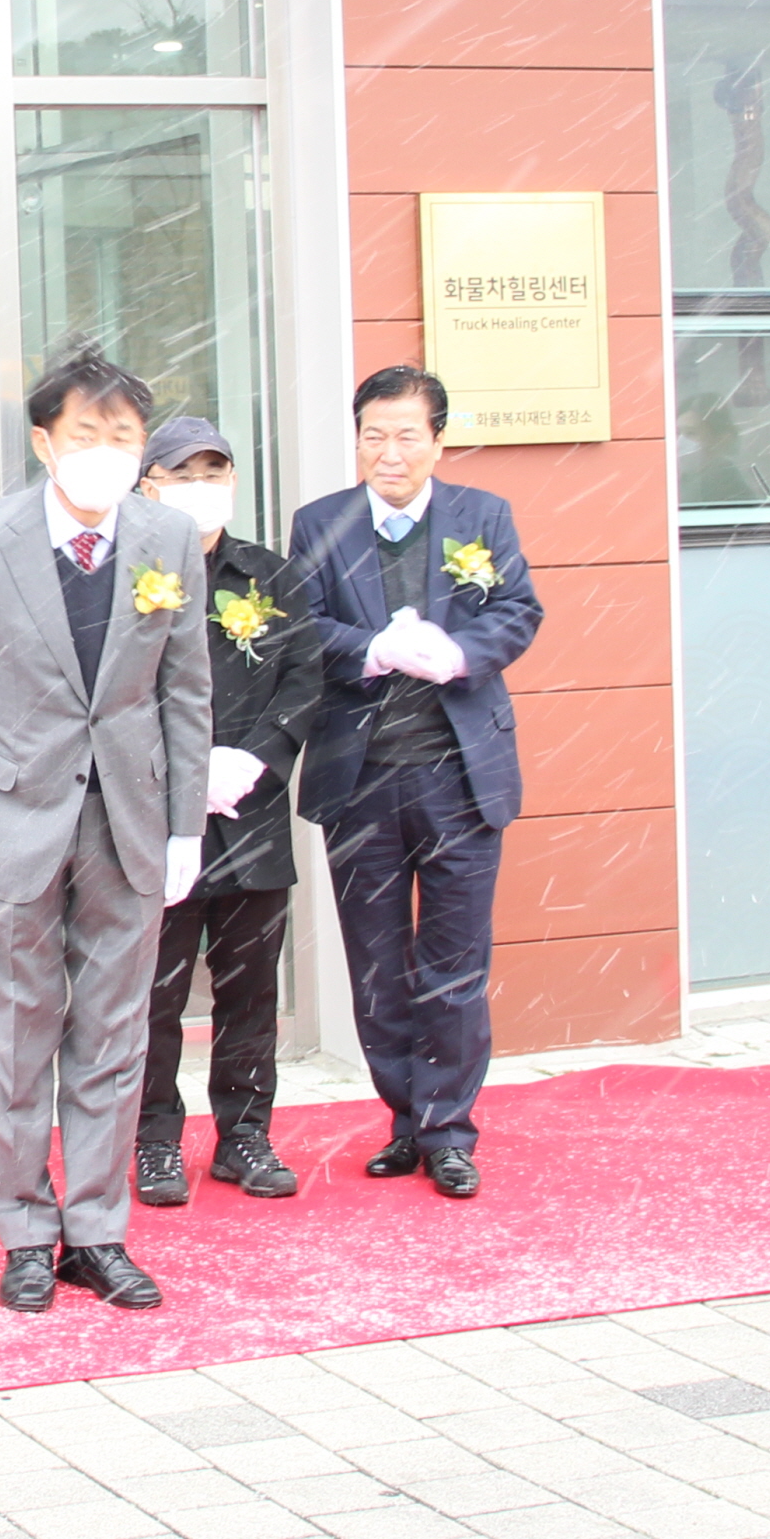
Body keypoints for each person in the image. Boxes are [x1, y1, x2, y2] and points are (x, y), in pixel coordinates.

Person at [0, 349, 213, 1313]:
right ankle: (24, 1232)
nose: (104, 451)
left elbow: (186, 692)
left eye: (123, 436)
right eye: (86, 433)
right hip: (15, 813)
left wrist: (184, 826)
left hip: (129, 815)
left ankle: (95, 1229)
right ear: (45, 442)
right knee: (18, 1031)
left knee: (116, 1033)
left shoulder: (168, 537)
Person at [289, 365, 543, 1199]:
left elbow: (518, 609)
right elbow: (301, 625)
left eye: (406, 434)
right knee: (377, 964)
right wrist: (371, 649)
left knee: (455, 962)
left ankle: (449, 1130)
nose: (389, 452)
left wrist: (460, 653)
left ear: (438, 439)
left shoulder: (482, 515)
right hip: (361, 777)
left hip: (459, 776)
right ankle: (407, 1117)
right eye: (374, 434)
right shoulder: (320, 522)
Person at [132, 415, 322, 1206]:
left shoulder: (271, 577)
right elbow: (109, 694)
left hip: (252, 812)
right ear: (149, 488)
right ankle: (152, 1140)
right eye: (182, 475)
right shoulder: (126, 575)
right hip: (156, 819)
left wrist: (258, 758)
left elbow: (305, 676)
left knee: (251, 990)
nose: (201, 487)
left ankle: (245, 1134)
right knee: (154, 993)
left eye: (214, 472)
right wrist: (182, 769)